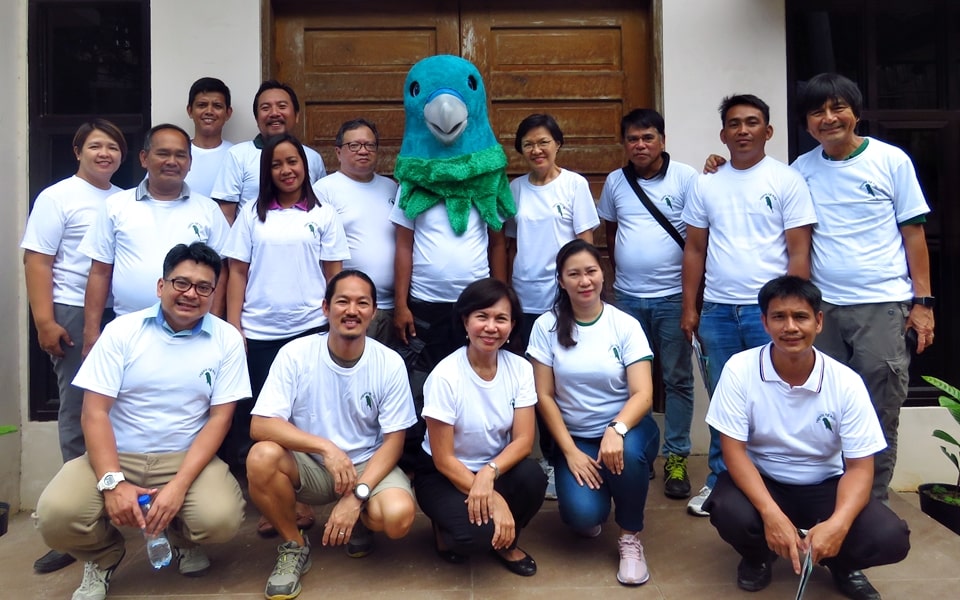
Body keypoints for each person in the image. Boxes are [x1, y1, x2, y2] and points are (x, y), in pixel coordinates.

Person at [36, 242, 250, 600]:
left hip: (183, 457)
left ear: (214, 293)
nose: (190, 294)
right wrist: (112, 481)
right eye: (180, 283)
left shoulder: (226, 339)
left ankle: (181, 539)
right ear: (160, 286)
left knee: (221, 518)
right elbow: (94, 412)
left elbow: (219, 419)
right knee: (56, 515)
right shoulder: (122, 331)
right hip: (117, 455)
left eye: (203, 287)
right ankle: (103, 554)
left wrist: (179, 485)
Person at [703, 276, 910, 599]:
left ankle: (841, 562)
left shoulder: (846, 382)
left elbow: (859, 467)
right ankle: (758, 557)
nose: (790, 327)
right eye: (778, 317)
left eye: (800, 317)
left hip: (824, 484)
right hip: (764, 478)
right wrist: (771, 515)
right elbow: (733, 452)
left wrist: (838, 524)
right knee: (728, 510)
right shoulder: (739, 369)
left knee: (890, 536)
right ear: (764, 323)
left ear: (819, 321)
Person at [793, 73, 934, 501]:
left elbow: (914, 234)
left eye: (838, 108)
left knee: (879, 408)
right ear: (806, 122)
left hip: (882, 306)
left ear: (856, 113)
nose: (829, 118)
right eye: (817, 111)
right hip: (824, 310)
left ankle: (872, 501)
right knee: (823, 405)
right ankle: (831, 496)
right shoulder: (802, 170)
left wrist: (922, 301)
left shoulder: (891, 161)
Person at [680, 94, 817, 517]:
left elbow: (798, 251)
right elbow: (695, 250)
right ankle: (721, 482)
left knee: (774, 398)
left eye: (752, 122)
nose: (743, 130)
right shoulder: (707, 183)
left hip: (771, 315)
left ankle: (770, 485)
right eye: (734, 124)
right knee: (726, 400)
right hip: (719, 311)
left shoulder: (786, 180)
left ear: (768, 131)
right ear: (723, 134)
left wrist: (793, 312)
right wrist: (691, 307)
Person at [246, 269, 417, 600]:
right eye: (342, 301)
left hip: (368, 464)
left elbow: (395, 440)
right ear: (326, 308)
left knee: (397, 517)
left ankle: (363, 521)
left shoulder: (389, 363)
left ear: (373, 311)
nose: (351, 310)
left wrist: (357, 496)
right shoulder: (295, 354)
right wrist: (325, 447)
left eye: (362, 303)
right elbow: (261, 424)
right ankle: (293, 545)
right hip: (311, 465)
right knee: (261, 456)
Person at [20, 119, 127, 575]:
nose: (105, 154)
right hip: (69, 310)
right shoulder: (57, 196)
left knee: (120, 410)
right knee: (78, 408)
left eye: (113, 148)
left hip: (117, 311)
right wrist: (44, 321)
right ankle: (78, 524)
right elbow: (37, 260)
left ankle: (123, 510)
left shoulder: (124, 198)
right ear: (78, 150)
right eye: (96, 146)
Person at [223, 133, 349, 516]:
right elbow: (237, 273)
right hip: (261, 332)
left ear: (304, 166)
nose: (286, 170)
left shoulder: (322, 214)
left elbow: (335, 277)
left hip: (310, 328)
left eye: (292, 162)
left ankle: (312, 493)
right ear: (267, 171)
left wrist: (334, 326)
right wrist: (235, 327)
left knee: (306, 414)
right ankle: (282, 501)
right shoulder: (251, 214)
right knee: (270, 421)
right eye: (277, 164)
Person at [527, 239, 660, 586]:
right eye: (574, 274)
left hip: (627, 429)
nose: (584, 281)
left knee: (627, 455)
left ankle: (630, 537)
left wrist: (616, 428)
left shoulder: (624, 324)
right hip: (576, 438)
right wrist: (569, 452)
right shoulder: (546, 326)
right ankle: (599, 499)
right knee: (583, 517)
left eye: (591, 272)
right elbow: (543, 395)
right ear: (561, 280)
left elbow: (643, 393)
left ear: (603, 275)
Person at [413, 278, 546, 576]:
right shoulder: (445, 375)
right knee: (473, 538)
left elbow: (524, 441)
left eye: (501, 318)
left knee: (533, 477)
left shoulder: (521, 369)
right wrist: (494, 499)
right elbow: (443, 458)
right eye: (481, 317)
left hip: (493, 468)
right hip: (443, 474)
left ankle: (506, 542)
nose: (491, 327)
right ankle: (445, 526)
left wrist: (489, 473)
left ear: (512, 325)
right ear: (465, 321)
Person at [598, 108, 697, 500]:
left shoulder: (687, 178)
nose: (640, 145)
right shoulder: (615, 182)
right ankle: (636, 449)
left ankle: (676, 456)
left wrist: (692, 301)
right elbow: (611, 231)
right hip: (626, 298)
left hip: (673, 298)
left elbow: (697, 238)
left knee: (676, 379)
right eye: (633, 139)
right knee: (624, 381)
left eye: (648, 137)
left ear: (662, 140)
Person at [79, 123, 231, 357]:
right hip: (129, 331)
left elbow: (221, 275)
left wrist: (216, 327)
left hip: (192, 333)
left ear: (189, 163)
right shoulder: (116, 206)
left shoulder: (208, 210)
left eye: (180, 155)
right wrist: (91, 334)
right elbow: (99, 272)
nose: (172, 161)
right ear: (144, 158)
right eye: (163, 153)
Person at [505, 113, 598, 346]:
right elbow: (512, 246)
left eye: (543, 142)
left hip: (563, 293)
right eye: (528, 144)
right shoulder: (515, 188)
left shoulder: (574, 184)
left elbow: (585, 244)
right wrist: (507, 290)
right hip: (525, 293)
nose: (536, 150)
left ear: (557, 144)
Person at [313, 119, 399, 346]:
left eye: (370, 145)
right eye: (355, 145)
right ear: (338, 152)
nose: (363, 150)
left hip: (391, 306)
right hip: (350, 309)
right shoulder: (324, 190)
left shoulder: (391, 187)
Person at [211, 80, 326, 224]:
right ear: (256, 118)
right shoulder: (238, 155)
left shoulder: (313, 158)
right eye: (266, 108)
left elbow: (320, 207)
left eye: (282, 106)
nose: (274, 113)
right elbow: (225, 216)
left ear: (297, 115)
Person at [183, 77, 234, 198]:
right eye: (202, 105)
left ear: (228, 113)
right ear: (190, 110)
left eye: (217, 106)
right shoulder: (175, 154)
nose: (209, 111)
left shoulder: (236, 155)